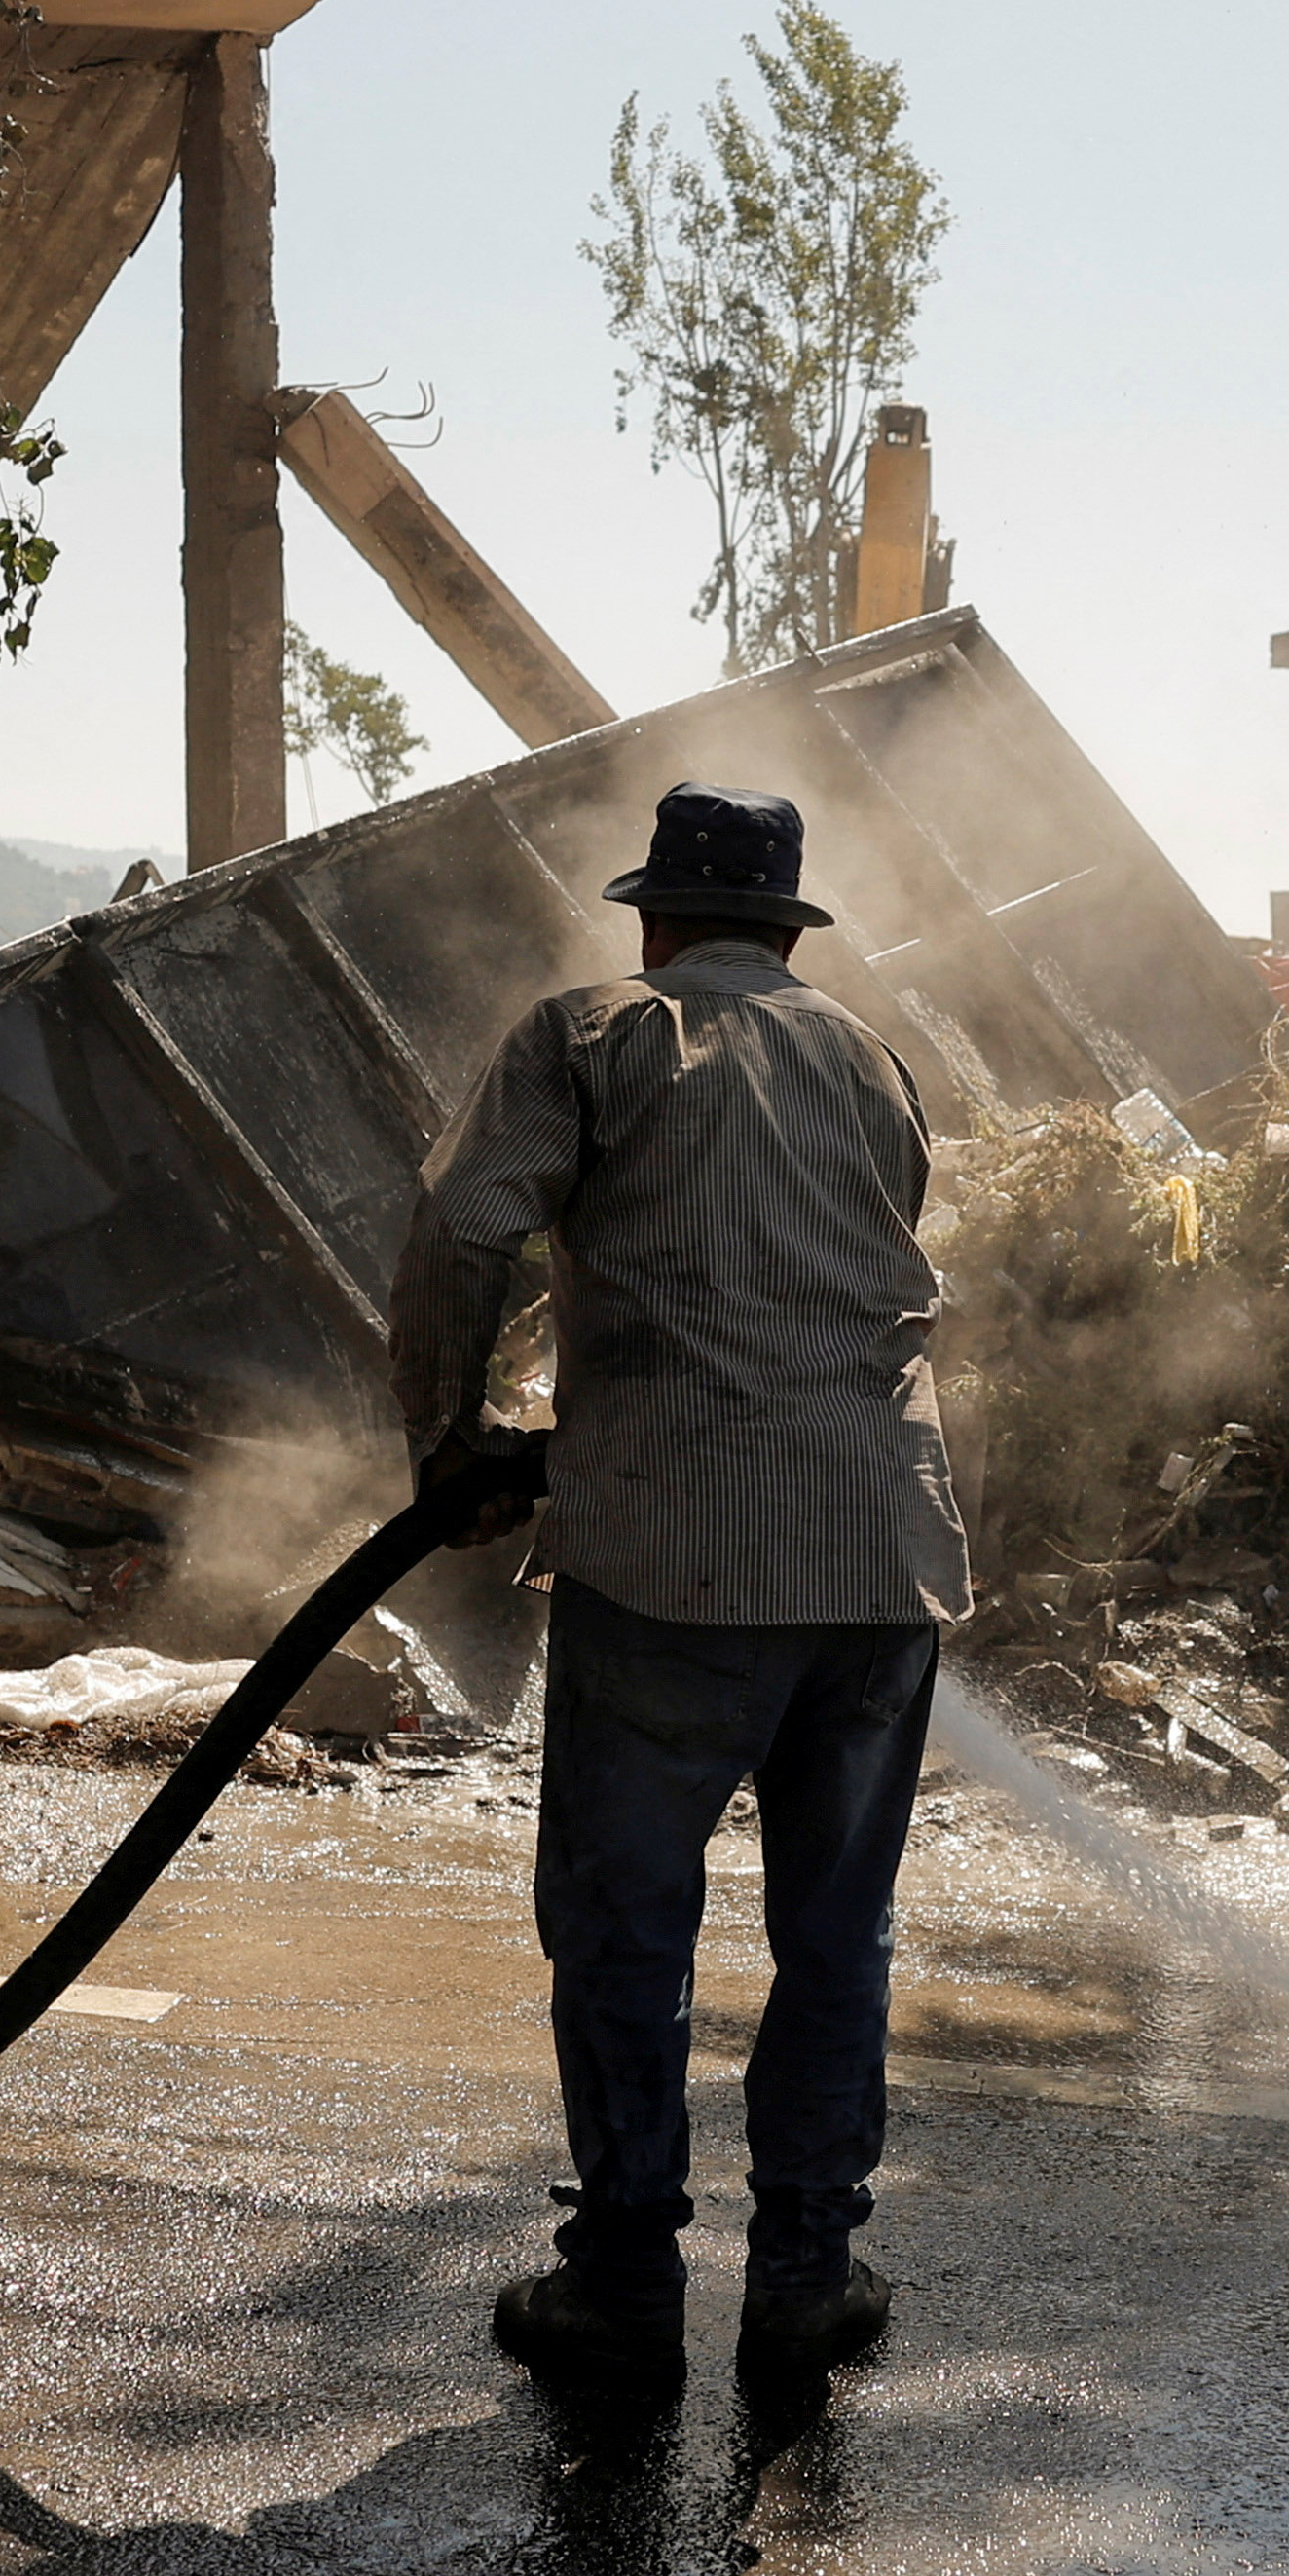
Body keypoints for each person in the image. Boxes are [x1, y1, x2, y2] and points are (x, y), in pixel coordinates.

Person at [387, 783, 972, 2407]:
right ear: (786, 930)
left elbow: (460, 1230)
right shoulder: (873, 1057)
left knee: (628, 1930)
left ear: (651, 920)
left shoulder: (596, 1033)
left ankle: (629, 2283)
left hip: (679, 1555)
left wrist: (446, 1444)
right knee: (835, 1934)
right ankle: (802, 2278)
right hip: (879, 1553)